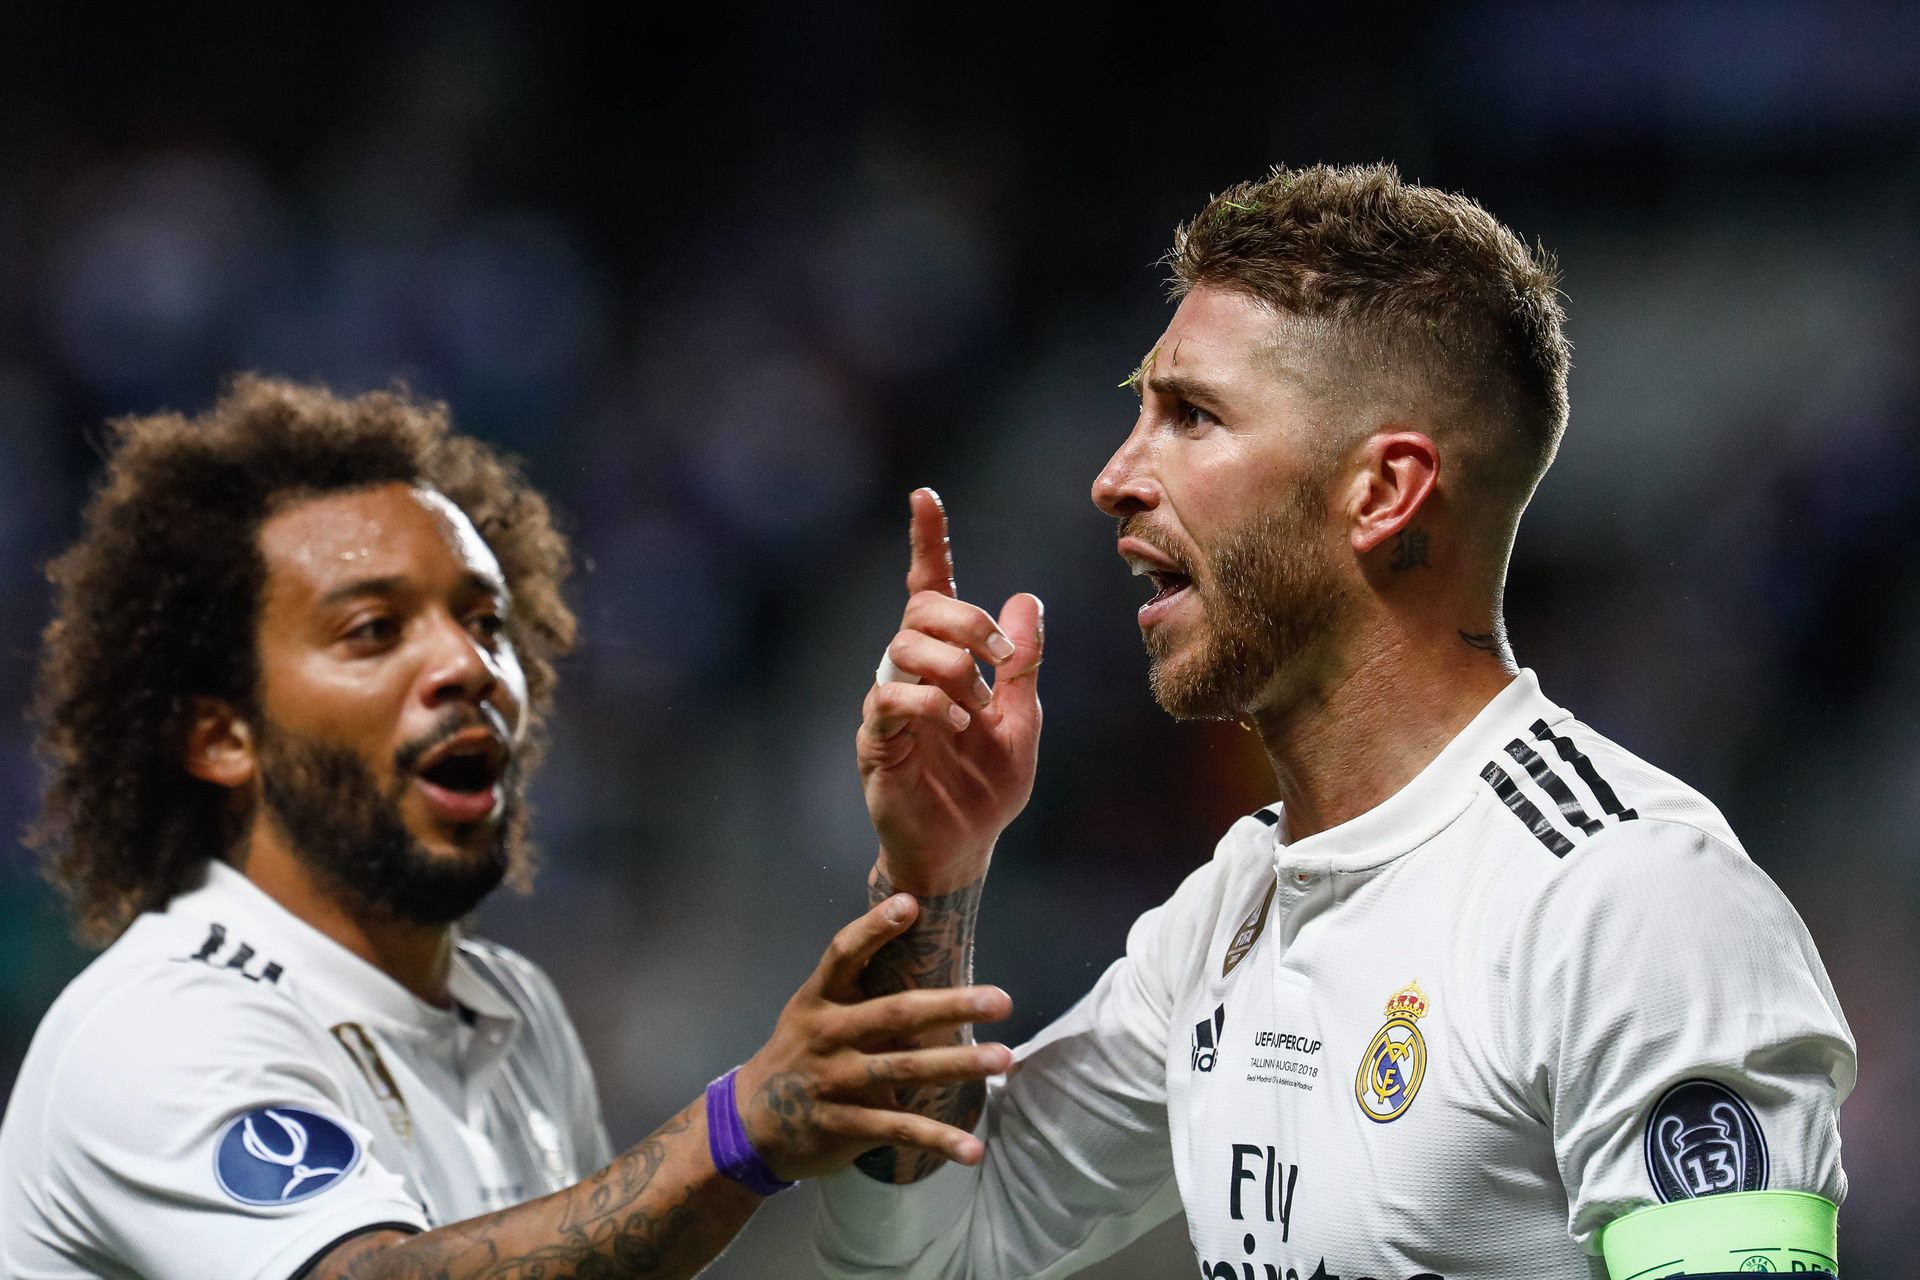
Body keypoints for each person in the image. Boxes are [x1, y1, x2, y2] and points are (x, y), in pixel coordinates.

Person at [818, 164, 1856, 1280]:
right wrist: (933, 873)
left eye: (1191, 416)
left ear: (1384, 491)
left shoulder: (1625, 900)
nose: (1114, 477)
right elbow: (925, 1258)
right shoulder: (1227, 913)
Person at [0, 377, 1016, 1280]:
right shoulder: (159, 1024)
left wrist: (932, 862)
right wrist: (734, 1129)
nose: (469, 666)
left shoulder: (512, 1008)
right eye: (372, 630)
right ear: (223, 736)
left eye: (484, 622)